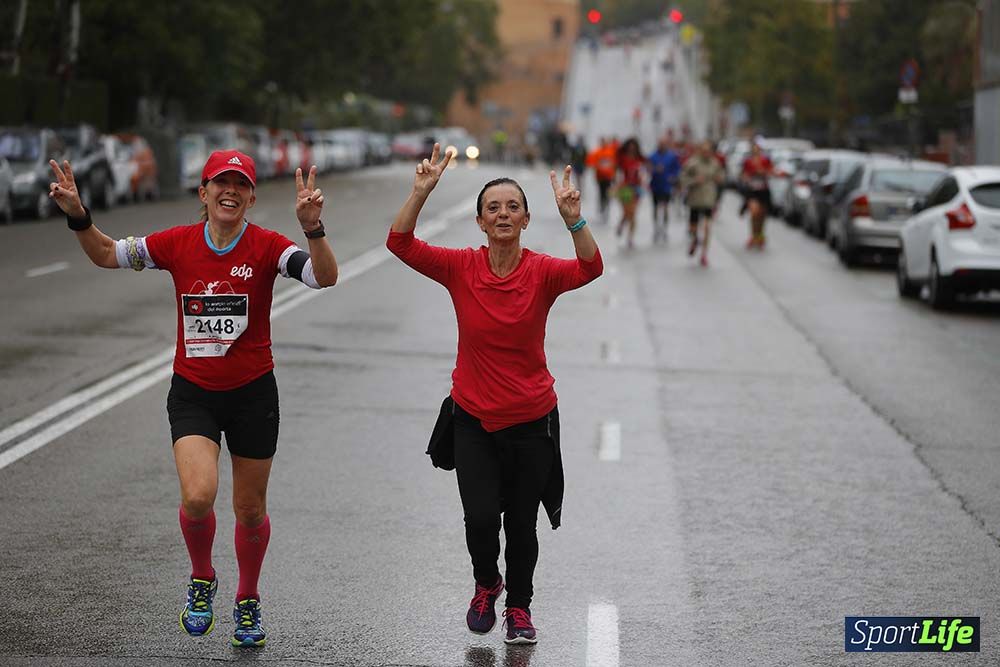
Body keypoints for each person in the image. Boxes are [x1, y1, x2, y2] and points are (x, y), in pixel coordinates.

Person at [47, 151, 339, 647]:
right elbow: (105, 254)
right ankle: (202, 578)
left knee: (249, 509)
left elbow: (323, 276)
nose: (230, 191)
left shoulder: (267, 247)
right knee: (199, 495)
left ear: (250, 197)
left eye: (240, 185)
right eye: (219, 183)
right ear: (203, 193)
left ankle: (247, 600)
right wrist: (78, 213)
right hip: (194, 393)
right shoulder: (177, 243)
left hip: (252, 395)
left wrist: (314, 229)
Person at [386, 144, 603, 645]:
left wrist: (574, 220)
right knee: (482, 518)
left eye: (512, 207)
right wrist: (420, 192)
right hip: (473, 420)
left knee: (521, 525)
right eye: (493, 208)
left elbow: (591, 269)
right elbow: (400, 243)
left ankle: (519, 608)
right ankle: (487, 583)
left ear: (526, 219)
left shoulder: (543, 271)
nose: (502, 214)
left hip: (531, 421)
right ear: (480, 222)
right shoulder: (461, 266)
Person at [681, 140, 725, 266]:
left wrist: (719, 179)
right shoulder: (692, 163)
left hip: (708, 199)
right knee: (692, 228)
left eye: (708, 150)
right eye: (704, 150)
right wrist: (694, 180)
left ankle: (704, 254)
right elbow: (683, 178)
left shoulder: (715, 164)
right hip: (694, 200)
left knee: (707, 227)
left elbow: (722, 177)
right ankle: (695, 240)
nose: (706, 153)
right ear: (700, 151)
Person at [647, 136, 682, 244]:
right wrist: (654, 170)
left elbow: (677, 169)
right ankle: (656, 226)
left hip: (666, 186)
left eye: (663, 144)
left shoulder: (671, 156)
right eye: (660, 143)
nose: (661, 145)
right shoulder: (652, 156)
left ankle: (665, 227)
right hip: (655, 185)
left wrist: (673, 177)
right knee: (656, 207)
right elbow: (647, 168)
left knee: (666, 207)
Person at [741, 141, 775, 248]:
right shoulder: (747, 161)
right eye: (753, 149)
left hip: (763, 190)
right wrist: (747, 177)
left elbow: (771, 172)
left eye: (757, 149)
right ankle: (753, 235)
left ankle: (760, 234)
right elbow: (743, 174)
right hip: (752, 191)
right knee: (754, 213)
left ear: (760, 150)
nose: (755, 151)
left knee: (762, 215)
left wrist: (763, 172)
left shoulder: (765, 160)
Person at [615, 137, 645, 248]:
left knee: (633, 213)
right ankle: (622, 224)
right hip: (625, 188)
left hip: (636, 188)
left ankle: (630, 237)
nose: (632, 149)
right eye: (630, 146)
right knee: (627, 212)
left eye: (634, 147)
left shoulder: (639, 158)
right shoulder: (622, 158)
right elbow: (617, 172)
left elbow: (646, 169)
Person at [585, 137, 617, 225]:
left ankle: (606, 205)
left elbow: (615, 163)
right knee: (601, 193)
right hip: (600, 177)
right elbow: (590, 162)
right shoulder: (597, 152)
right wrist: (597, 165)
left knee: (608, 192)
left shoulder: (611, 152)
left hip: (609, 177)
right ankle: (602, 206)